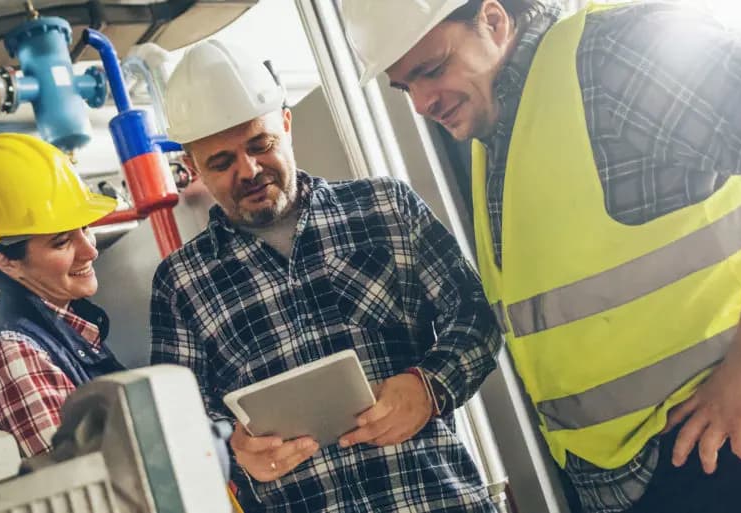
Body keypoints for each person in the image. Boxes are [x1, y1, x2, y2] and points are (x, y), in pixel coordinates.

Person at [341, 1, 741, 512]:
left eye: (432, 69)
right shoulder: (503, 131)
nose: (422, 103)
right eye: (405, 88)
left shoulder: (613, 54)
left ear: (493, 20)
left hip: (729, 446)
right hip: (637, 478)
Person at [149, 39, 503, 512]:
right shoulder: (181, 284)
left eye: (261, 144)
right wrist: (234, 451)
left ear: (287, 125)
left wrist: (430, 385)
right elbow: (179, 422)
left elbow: (477, 316)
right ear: (193, 168)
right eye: (222, 161)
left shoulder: (386, 208)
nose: (249, 170)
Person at [0, 133, 126, 457]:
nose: (90, 250)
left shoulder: (63, 329)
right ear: (7, 263)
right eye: (62, 241)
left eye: (85, 228)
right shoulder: (14, 352)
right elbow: (83, 486)